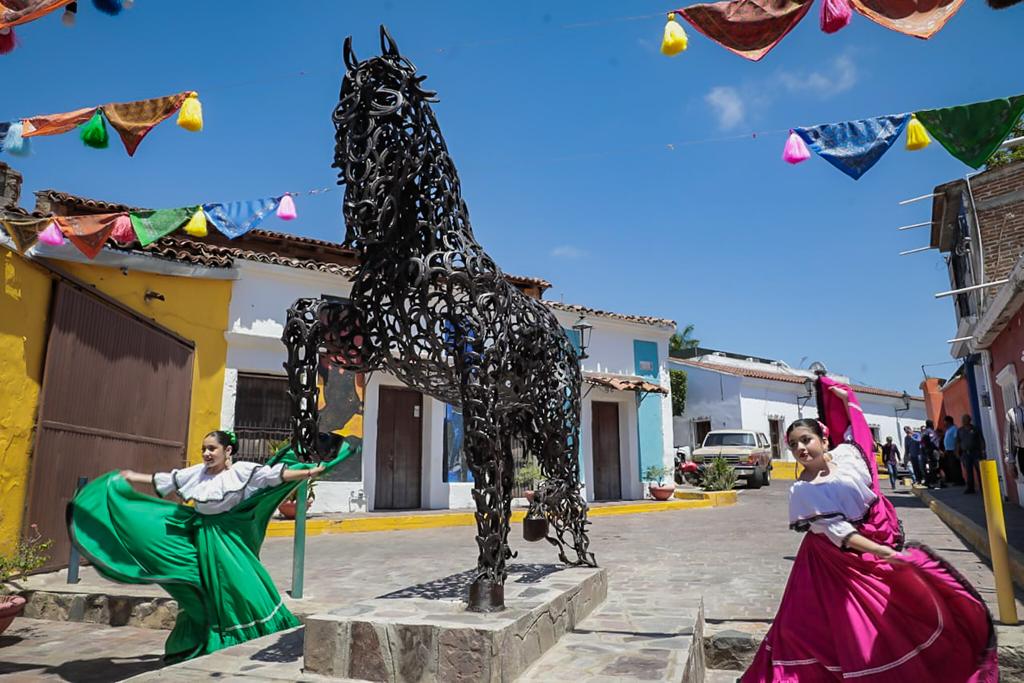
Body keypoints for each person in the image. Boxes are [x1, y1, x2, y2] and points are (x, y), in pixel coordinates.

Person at [743, 379, 996, 682]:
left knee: (894, 613)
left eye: (806, 440)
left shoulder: (847, 458)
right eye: (793, 444)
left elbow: (858, 433)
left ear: (824, 439)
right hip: (833, 563)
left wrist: (847, 399)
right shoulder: (804, 490)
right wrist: (883, 552)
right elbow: (841, 534)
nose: (800, 448)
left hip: (867, 547)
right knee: (827, 627)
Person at [67, 430, 357, 663]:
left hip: (227, 541)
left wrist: (308, 473)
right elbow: (168, 479)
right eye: (204, 449)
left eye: (212, 449)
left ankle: (253, 636)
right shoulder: (199, 473)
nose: (206, 453)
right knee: (203, 588)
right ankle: (205, 638)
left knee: (241, 588)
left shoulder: (241, 471)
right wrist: (132, 477)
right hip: (199, 536)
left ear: (227, 451)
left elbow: (275, 475)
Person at [957, 414, 986, 495]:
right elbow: (958, 442)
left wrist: (983, 451)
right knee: (968, 471)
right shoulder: (960, 430)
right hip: (966, 453)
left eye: (965, 419)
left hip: (976, 453)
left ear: (969, 420)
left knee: (979, 470)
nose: (963, 421)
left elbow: (981, 440)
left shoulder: (975, 429)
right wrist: (957, 452)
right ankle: (970, 488)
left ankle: (983, 488)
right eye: (963, 419)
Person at [943, 415, 963, 486]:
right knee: (952, 466)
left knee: (955, 466)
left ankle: (959, 481)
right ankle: (955, 480)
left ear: (948, 421)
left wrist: (956, 450)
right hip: (949, 450)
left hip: (953, 450)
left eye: (945, 422)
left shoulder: (954, 429)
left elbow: (956, 440)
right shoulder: (948, 429)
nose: (944, 423)